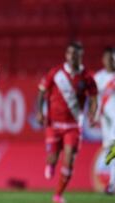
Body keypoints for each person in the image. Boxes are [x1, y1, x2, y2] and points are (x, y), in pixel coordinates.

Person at [36, 42, 98, 203]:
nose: (73, 57)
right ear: (66, 55)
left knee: (69, 159)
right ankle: (51, 163)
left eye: (76, 54)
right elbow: (42, 91)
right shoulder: (56, 73)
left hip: (73, 125)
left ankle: (58, 195)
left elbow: (93, 97)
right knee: (53, 158)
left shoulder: (87, 77)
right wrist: (39, 111)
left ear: (81, 56)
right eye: (70, 53)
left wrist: (92, 113)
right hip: (53, 124)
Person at [94, 47, 115, 194]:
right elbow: (94, 98)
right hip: (105, 121)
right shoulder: (99, 77)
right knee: (110, 150)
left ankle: (113, 184)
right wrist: (93, 115)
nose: (110, 61)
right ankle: (112, 184)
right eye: (108, 58)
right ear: (103, 60)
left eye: (112, 58)